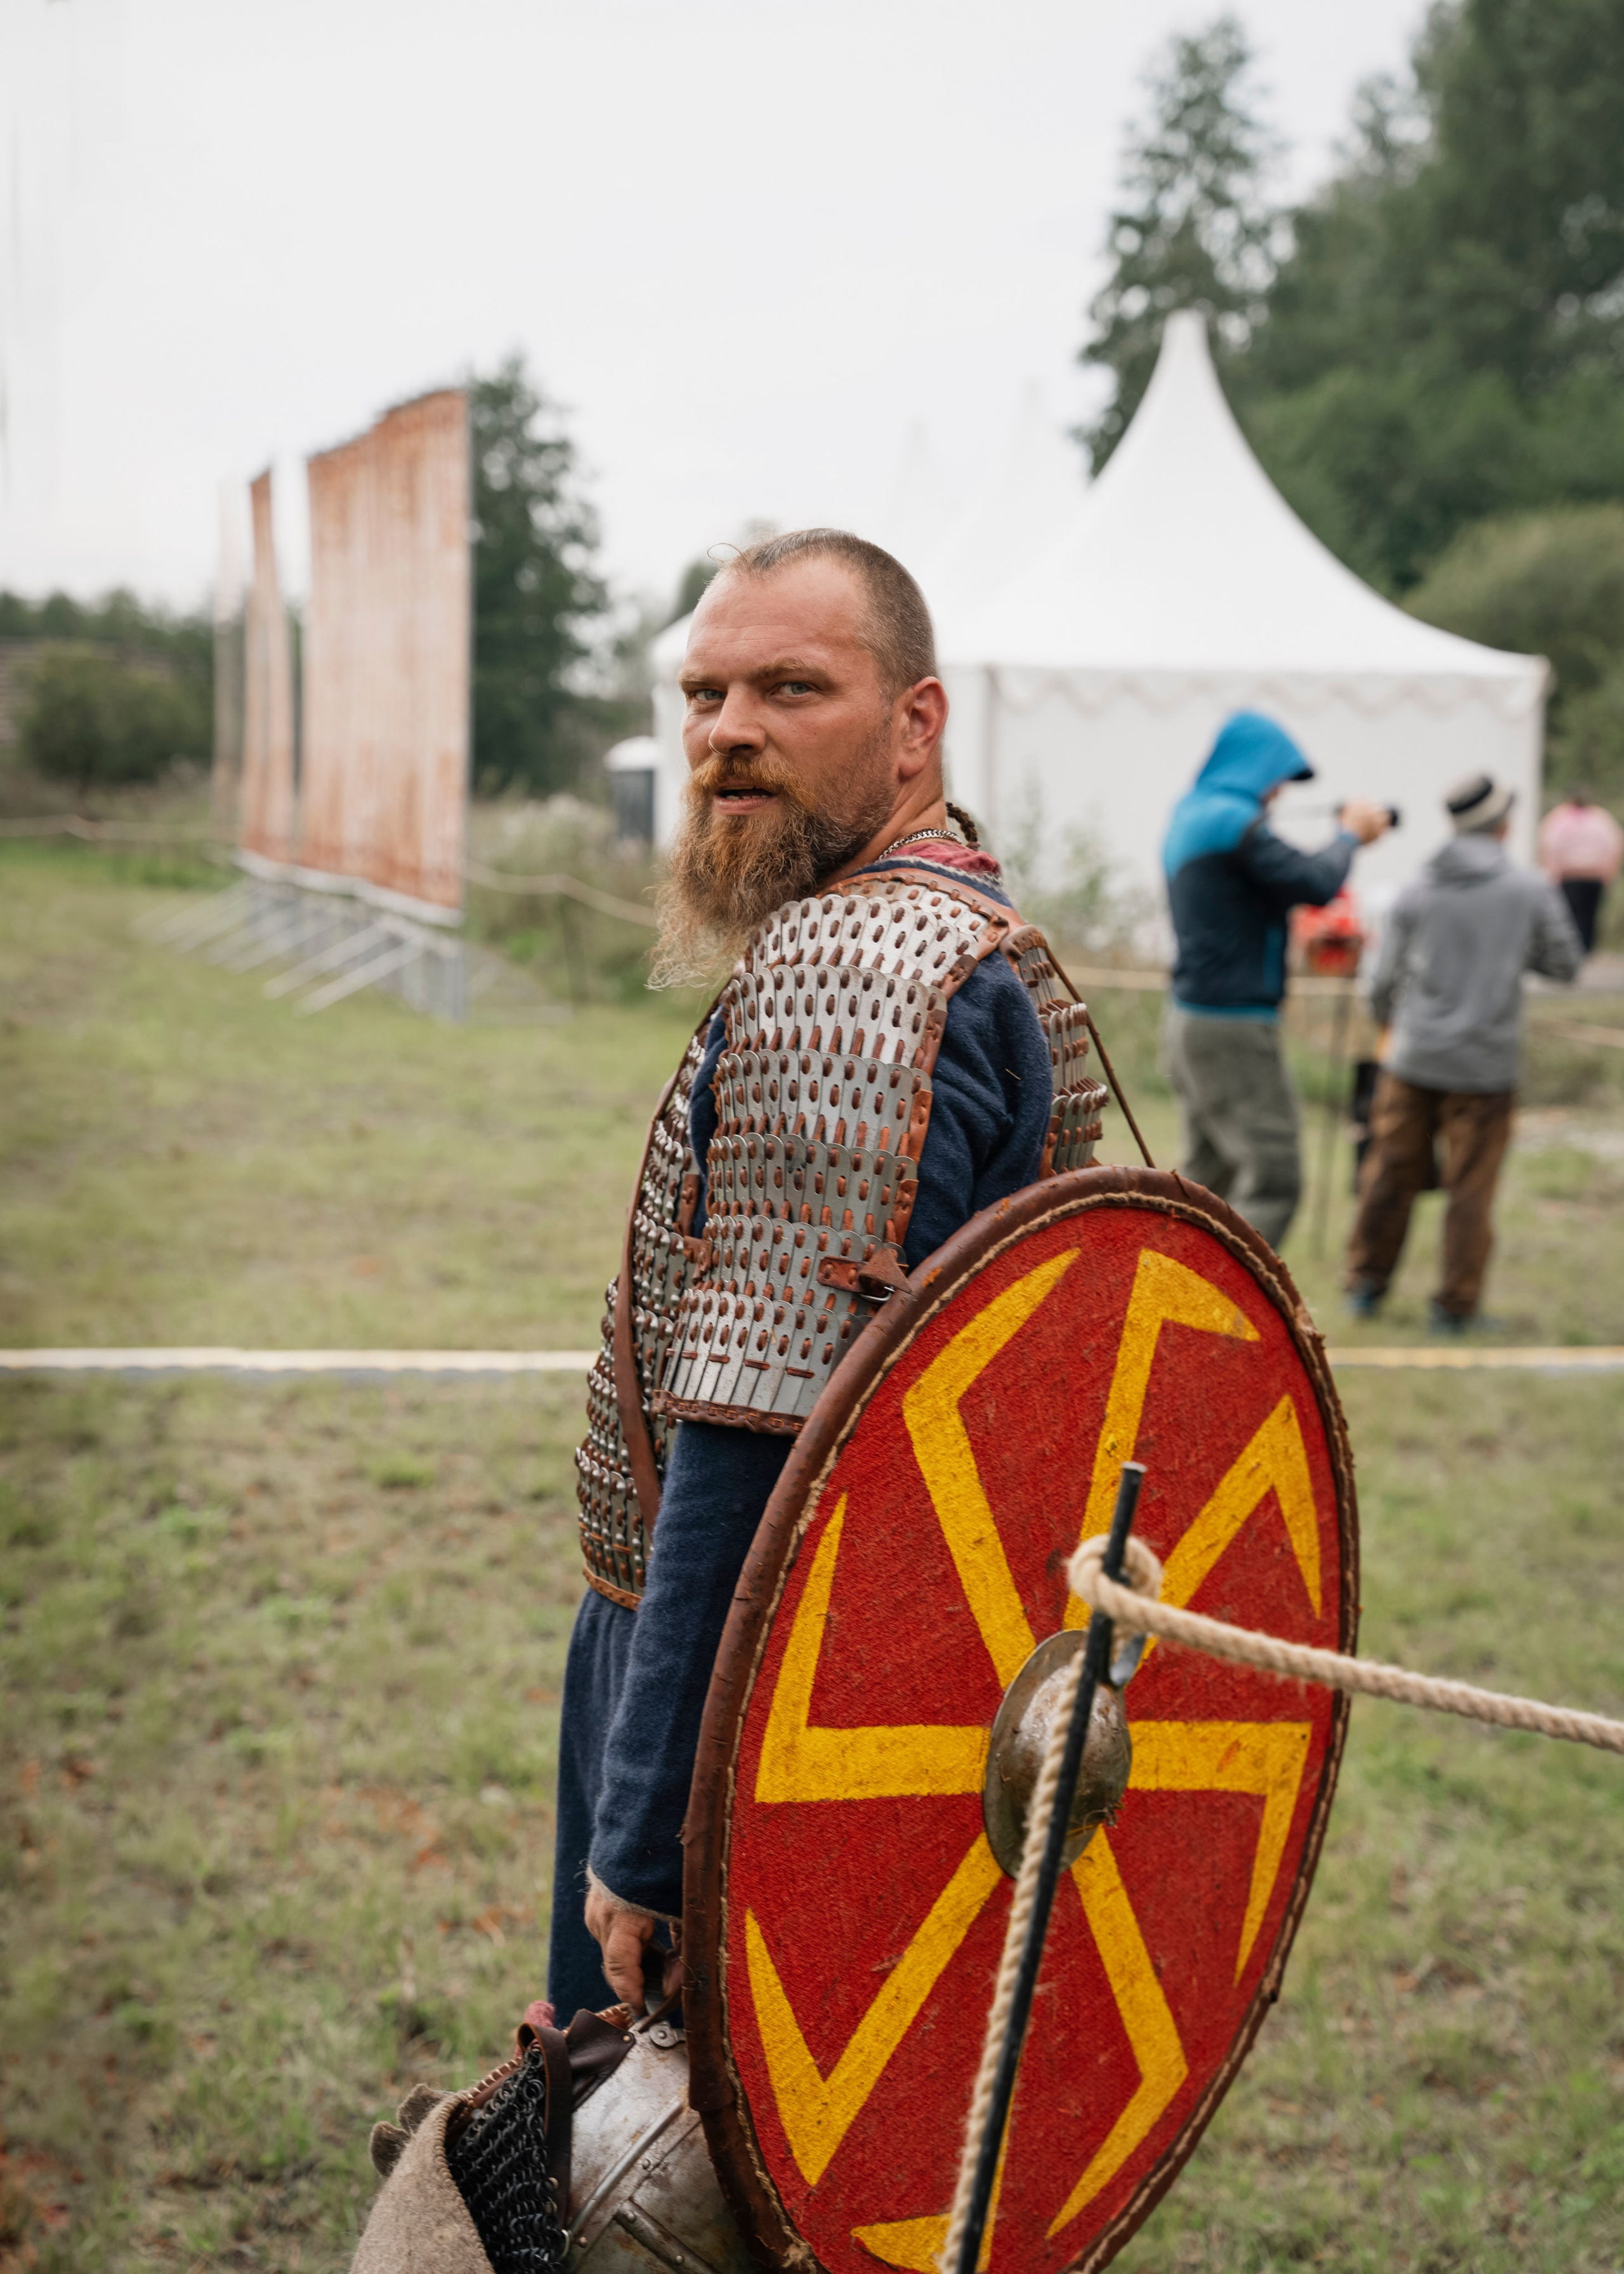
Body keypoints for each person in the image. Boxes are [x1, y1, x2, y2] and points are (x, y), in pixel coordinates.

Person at [549, 529, 1105, 2018]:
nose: (727, 733)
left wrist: (649, 1835)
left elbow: (756, 1438)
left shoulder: (846, 969)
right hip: (889, 1669)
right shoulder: (972, 931)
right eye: (705, 694)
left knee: (639, 2131)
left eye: (790, 689)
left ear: (914, 725)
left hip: (753, 1684)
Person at [1345, 772, 1582, 1332]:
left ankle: (1365, 1286)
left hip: (1413, 1057)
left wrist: (1388, 1022)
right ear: (1503, 825)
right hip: (1486, 1067)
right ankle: (1454, 1307)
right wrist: (1510, 951)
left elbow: (1380, 982)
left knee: (1389, 1173)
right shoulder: (1528, 890)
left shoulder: (1417, 887)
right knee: (1471, 1190)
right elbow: (1565, 964)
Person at [1161, 711, 1392, 1249]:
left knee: (1207, 1181)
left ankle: (1167, 1289)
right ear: (1255, 767)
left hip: (1191, 1018)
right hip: (1233, 1024)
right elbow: (1315, 881)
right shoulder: (1233, 823)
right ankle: (1224, 1299)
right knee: (1275, 1178)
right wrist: (1350, 836)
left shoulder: (1193, 814)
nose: (1279, 793)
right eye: (1277, 778)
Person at [1537, 787, 1623, 955]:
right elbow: (1614, 845)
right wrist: (1611, 872)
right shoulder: (1600, 819)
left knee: (1569, 916)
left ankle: (1572, 951)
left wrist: (1551, 875)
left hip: (1570, 877)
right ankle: (1585, 950)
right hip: (1594, 876)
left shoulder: (1560, 818)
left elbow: (1550, 846)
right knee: (1589, 916)